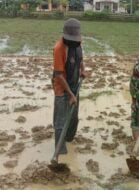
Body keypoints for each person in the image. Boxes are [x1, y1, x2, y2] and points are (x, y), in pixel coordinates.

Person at [52, 18, 85, 161]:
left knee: (73, 115)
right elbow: (58, 74)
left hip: (74, 82)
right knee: (61, 120)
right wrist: (70, 94)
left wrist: (83, 70)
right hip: (61, 85)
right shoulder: (59, 48)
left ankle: (69, 138)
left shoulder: (78, 43)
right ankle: (60, 150)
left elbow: (80, 58)